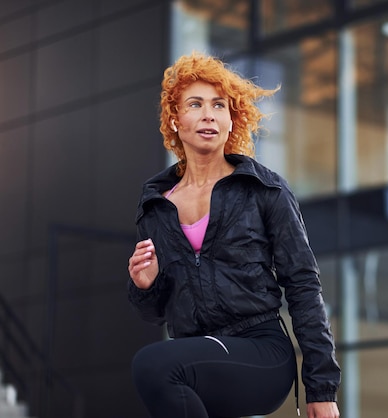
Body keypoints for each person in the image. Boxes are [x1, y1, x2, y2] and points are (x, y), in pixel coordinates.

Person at [127, 52, 341, 418]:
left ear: (232, 120)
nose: (208, 113)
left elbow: (303, 286)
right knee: (163, 371)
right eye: (195, 104)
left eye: (219, 105)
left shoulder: (264, 190)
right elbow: (155, 312)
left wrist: (321, 388)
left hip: (260, 350)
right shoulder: (156, 205)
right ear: (175, 121)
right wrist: (144, 286)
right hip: (198, 356)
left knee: (153, 365)